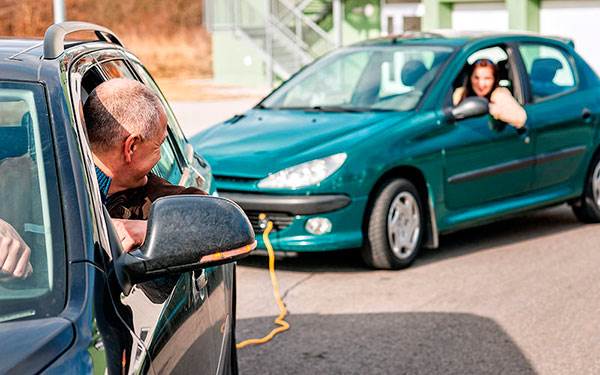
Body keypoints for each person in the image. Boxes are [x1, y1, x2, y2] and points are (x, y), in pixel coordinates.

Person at [83, 78, 206, 252]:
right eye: (159, 145)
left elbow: (218, 221)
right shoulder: (38, 190)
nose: (160, 155)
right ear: (131, 147)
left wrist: (149, 229)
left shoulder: (153, 194)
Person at [453, 58, 527, 129]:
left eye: (487, 78)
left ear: (494, 80)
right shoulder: (461, 93)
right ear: (470, 78)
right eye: (476, 77)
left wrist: (491, 109)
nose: (481, 84)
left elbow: (520, 118)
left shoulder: (499, 94)